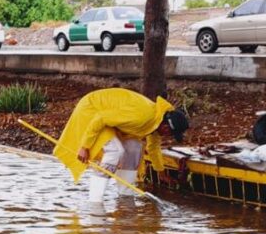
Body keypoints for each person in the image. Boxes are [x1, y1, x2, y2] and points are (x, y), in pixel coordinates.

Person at [53, 87, 188, 205]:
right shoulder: (143, 116)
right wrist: (84, 147)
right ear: (166, 127)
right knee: (115, 151)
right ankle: (95, 203)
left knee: (135, 147)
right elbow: (101, 118)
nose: (168, 136)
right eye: (170, 133)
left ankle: (125, 197)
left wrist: (161, 173)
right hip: (92, 111)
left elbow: (153, 148)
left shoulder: (156, 121)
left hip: (107, 119)